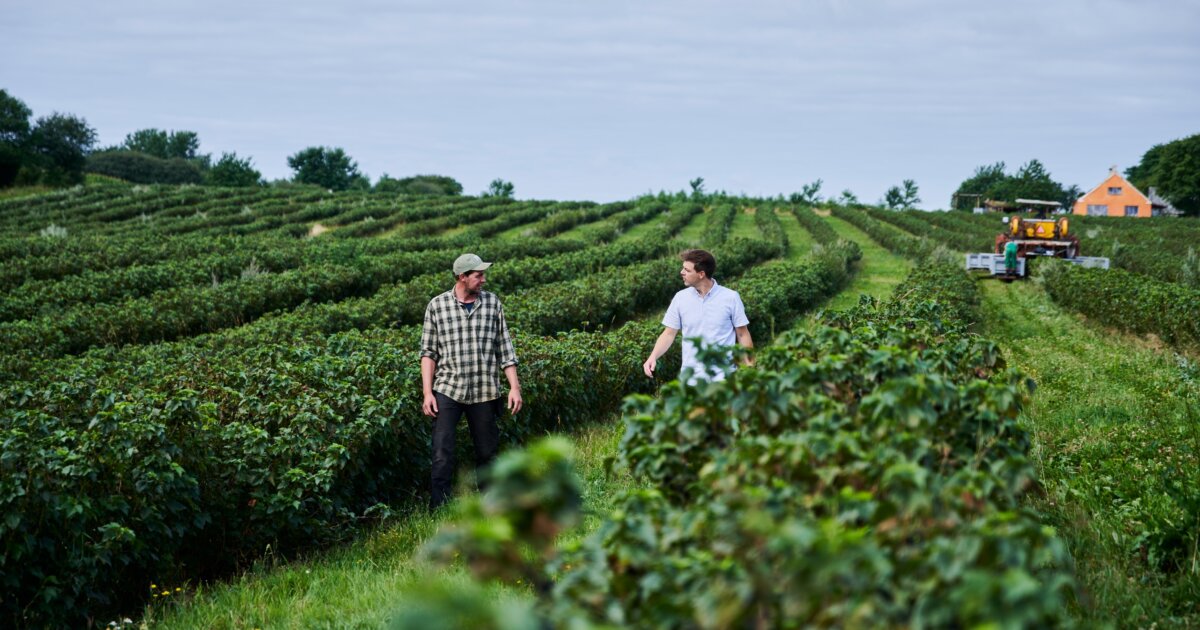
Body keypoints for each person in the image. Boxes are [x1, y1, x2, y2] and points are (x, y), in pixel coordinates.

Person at [420, 253, 523, 509]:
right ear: (462, 277)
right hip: (447, 388)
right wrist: (427, 393)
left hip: (484, 390)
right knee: (442, 451)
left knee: (487, 452)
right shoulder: (437, 306)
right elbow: (428, 354)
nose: (483, 280)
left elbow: (505, 349)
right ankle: (439, 507)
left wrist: (514, 387)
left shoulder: (492, 304)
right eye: (478, 275)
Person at [642, 249, 753, 384]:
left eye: (687, 270)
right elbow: (669, 334)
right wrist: (653, 357)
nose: (681, 272)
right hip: (691, 379)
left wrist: (749, 369)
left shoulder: (730, 297)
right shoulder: (680, 298)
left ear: (701, 274)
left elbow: (742, 334)